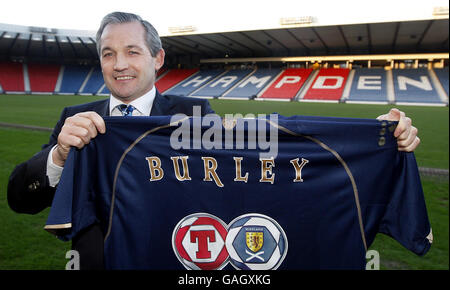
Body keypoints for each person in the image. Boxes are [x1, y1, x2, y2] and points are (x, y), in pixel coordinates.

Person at [7, 11, 420, 269]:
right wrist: (60, 155)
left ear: (157, 58)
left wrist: (380, 137)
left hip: (180, 260)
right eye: (108, 53)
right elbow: (19, 198)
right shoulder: (78, 120)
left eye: (132, 51)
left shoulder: (195, 113)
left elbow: (258, 158)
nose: (119, 65)